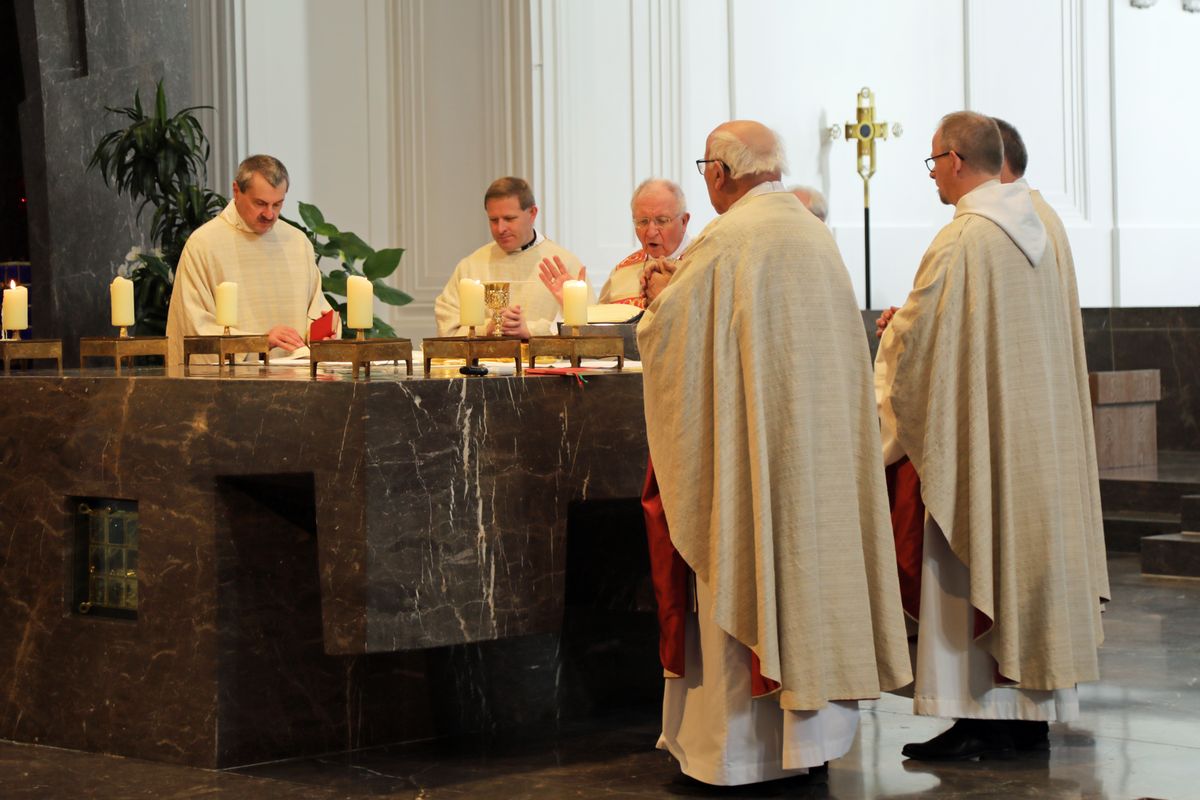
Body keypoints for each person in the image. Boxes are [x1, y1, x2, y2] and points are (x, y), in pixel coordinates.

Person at [638, 119, 912, 786]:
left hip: (752, 460)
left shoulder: (726, 239)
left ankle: (738, 760)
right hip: (813, 463)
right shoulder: (812, 234)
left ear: (720, 174)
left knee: (748, 573)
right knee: (808, 589)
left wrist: (657, 300)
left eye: (705, 164)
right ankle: (812, 747)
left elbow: (668, 337)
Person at [875, 111, 1109, 761]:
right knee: (1030, 567)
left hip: (981, 438)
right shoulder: (1047, 225)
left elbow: (919, 343)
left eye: (932, 164)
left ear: (954, 160)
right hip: (1039, 436)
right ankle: (1027, 715)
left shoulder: (964, 238)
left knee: (968, 560)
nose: (932, 179)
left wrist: (892, 335)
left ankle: (979, 713)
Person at [166, 154, 338, 365]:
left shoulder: (297, 242)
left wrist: (322, 335)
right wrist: (259, 342)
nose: (269, 214)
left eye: (277, 204)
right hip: (234, 386)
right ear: (237, 191)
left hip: (297, 380)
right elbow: (193, 325)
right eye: (260, 203)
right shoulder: (204, 244)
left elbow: (316, 311)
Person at [434, 177, 589, 337]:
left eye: (509, 219)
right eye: (494, 220)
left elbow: (590, 332)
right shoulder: (470, 266)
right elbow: (447, 329)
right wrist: (487, 328)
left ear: (532, 213)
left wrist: (531, 330)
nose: (501, 229)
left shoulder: (565, 265)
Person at [567, 178, 690, 309]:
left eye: (661, 221)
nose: (650, 232)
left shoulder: (702, 264)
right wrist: (575, 305)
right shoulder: (621, 272)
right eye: (643, 222)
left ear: (684, 221)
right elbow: (601, 324)